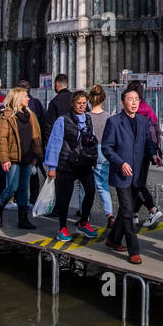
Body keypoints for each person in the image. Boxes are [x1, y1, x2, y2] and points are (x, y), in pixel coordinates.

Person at [102, 87, 157, 265]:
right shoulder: (114, 122)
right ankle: (134, 250)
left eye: (136, 99)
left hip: (138, 173)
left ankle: (113, 239)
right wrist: (121, 163)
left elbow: (147, 142)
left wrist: (154, 155)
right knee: (127, 211)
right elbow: (107, 148)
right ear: (122, 102)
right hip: (122, 173)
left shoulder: (143, 121)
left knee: (125, 210)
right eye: (130, 99)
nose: (134, 102)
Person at [43, 90, 101, 242]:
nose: (82, 106)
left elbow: (92, 140)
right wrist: (52, 167)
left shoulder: (88, 119)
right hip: (67, 163)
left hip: (83, 162)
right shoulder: (62, 120)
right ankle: (62, 227)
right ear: (72, 104)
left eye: (84, 103)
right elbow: (54, 143)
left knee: (90, 190)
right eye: (79, 104)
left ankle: (83, 222)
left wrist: (94, 157)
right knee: (65, 197)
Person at [0, 88, 41, 229]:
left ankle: (23, 218)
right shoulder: (6, 115)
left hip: (27, 156)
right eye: (26, 96)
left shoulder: (30, 115)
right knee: (12, 187)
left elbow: (36, 136)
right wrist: (4, 158)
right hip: (13, 157)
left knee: (23, 188)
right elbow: (1, 138)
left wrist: (37, 155)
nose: (28, 99)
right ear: (18, 98)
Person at [129, 81, 163, 226]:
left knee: (136, 184)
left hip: (135, 152)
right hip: (147, 151)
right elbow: (156, 130)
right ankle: (134, 214)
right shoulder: (148, 109)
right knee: (138, 182)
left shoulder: (132, 110)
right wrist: (156, 150)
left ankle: (153, 209)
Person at [80, 84, 115, 226]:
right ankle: (110, 214)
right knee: (103, 185)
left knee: (84, 185)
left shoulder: (85, 116)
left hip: (88, 152)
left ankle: (85, 215)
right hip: (103, 152)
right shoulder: (108, 117)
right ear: (103, 99)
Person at [40, 73, 72, 142]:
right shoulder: (76, 99)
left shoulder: (55, 102)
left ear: (57, 85)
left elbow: (49, 125)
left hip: (61, 140)